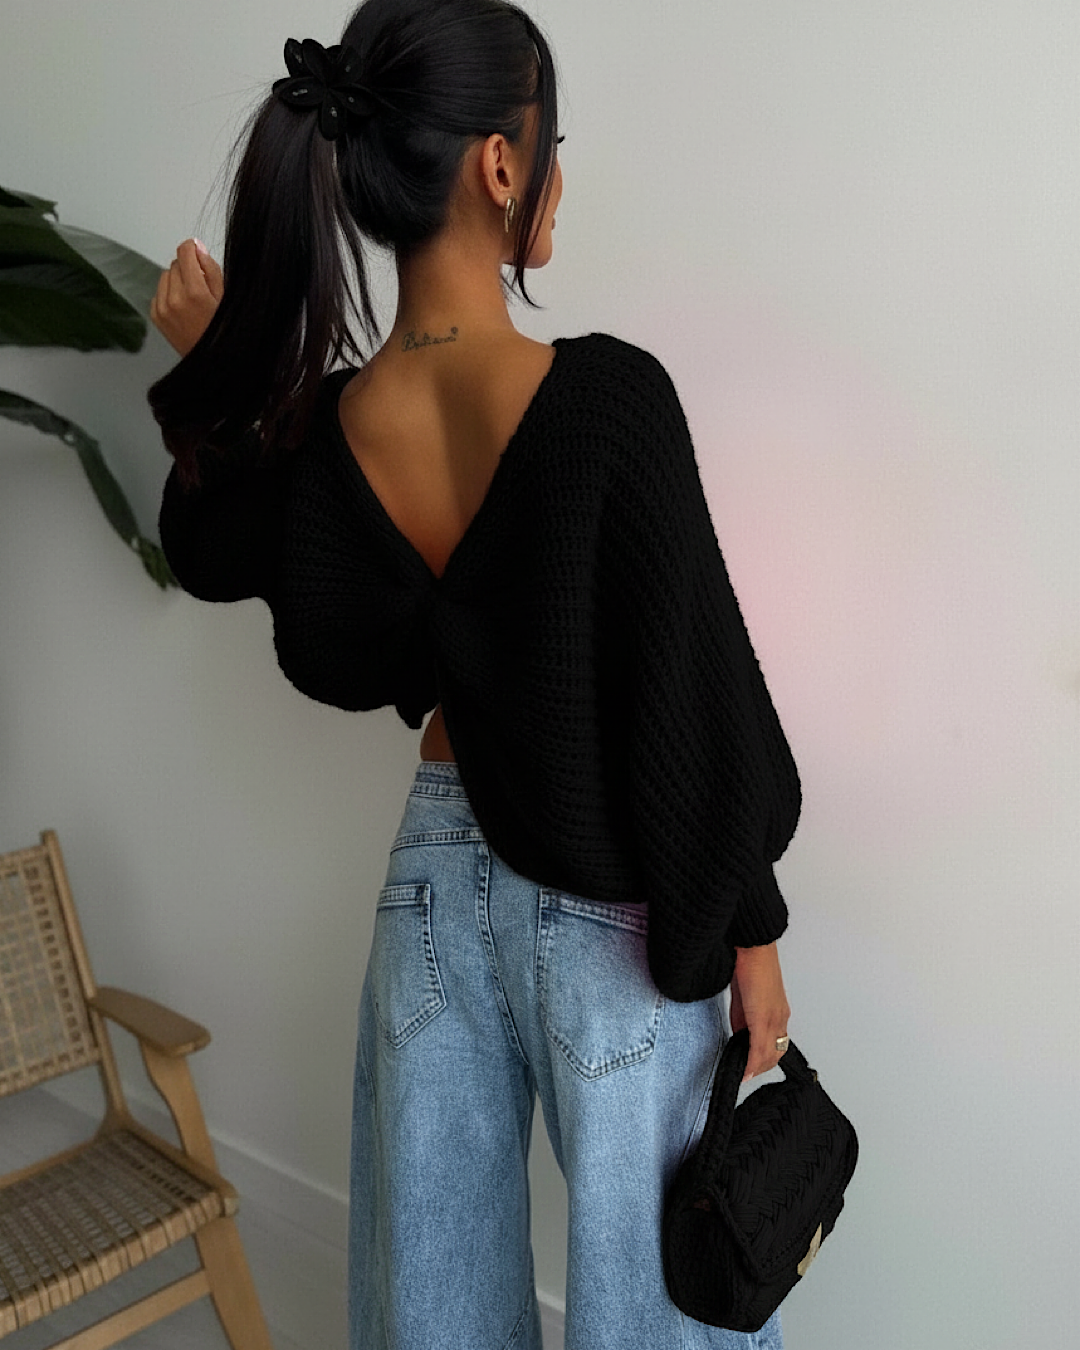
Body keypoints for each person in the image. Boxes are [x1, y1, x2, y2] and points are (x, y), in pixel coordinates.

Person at [149, 2, 800, 1347]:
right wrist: (754, 931)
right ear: (503, 166)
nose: (558, 174)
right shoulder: (610, 402)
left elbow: (213, 550)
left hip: (428, 891)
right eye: (552, 145)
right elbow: (697, 697)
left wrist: (216, 369)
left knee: (430, 1313)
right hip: (615, 905)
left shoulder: (331, 428)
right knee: (662, 1313)